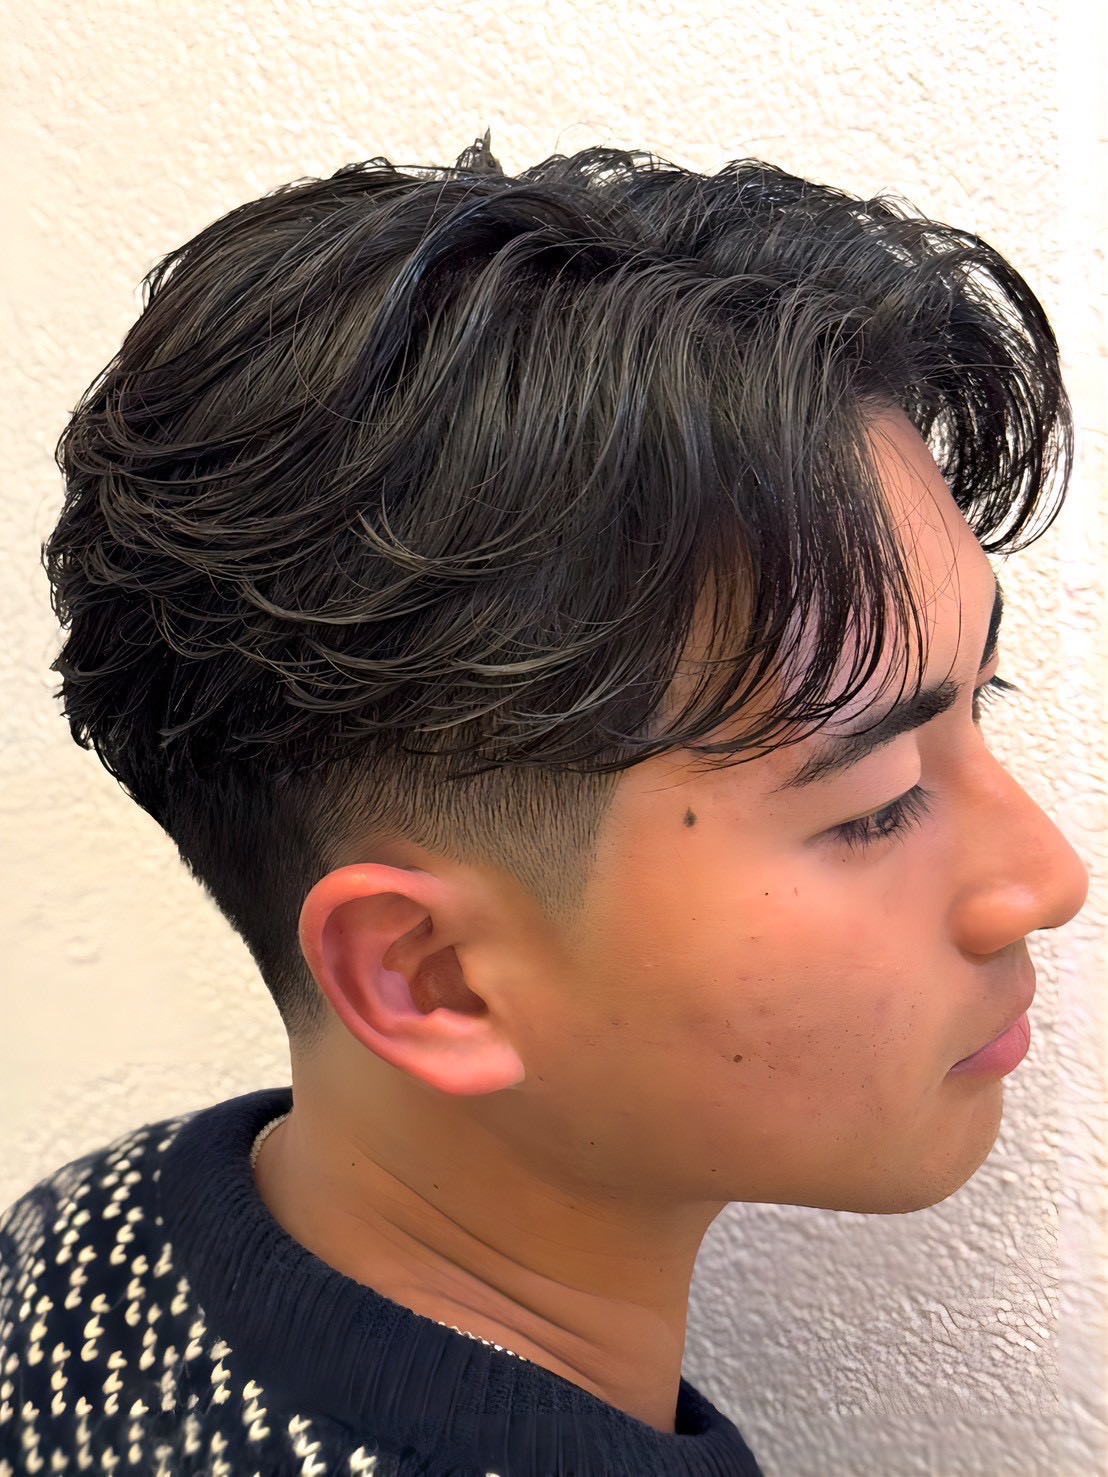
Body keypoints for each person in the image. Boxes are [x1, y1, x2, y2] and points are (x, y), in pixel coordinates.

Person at [0, 134, 1088, 1477]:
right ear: (435, 977)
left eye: (982, 695)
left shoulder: (88, 1226)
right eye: (878, 801)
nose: (1044, 875)